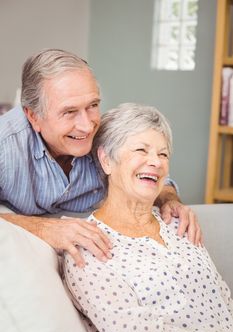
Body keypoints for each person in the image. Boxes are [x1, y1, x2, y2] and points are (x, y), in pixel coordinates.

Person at [0, 49, 201, 266]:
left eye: (93, 106)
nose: (87, 126)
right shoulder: (6, 145)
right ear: (33, 116)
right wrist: (43, 227)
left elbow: (147, 172)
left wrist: (170, 199)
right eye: (69, 112)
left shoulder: (104, 139)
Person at [63, 103, 233, 332]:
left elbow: (222, 299)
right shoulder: (89, 246)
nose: (156, 162)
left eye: (163, 154)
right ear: (106, 160)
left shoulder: (178, 222)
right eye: (141, 150)